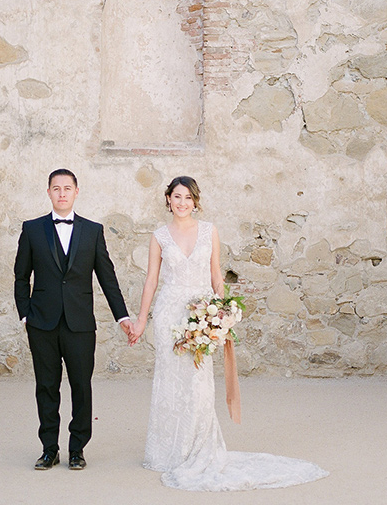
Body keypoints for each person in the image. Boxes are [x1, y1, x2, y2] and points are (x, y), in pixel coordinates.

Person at [128, 176, 328, 491]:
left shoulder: (210, 231)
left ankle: (198, 447)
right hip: (169, 312)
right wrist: (141, 320)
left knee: (198, 380)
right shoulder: (159, 236)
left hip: (202, 312)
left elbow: (216, 275)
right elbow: (151, 281)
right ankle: (168, 450)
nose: (182, 203)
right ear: (168, 199)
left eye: (188, 198)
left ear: (195, 201)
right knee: (170, 380)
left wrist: (222, 312)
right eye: (177, 197)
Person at [14, 168, 132, 471]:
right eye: (56, 188)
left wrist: (122, 316)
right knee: (46, 387)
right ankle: (49, 449)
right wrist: (26, 314)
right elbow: (20, 276)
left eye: (67, 188)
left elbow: (107, 278)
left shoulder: (92, 231)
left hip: (80, 324)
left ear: (76, 192)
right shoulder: (32, 229)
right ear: (49, 192)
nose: (62, 193)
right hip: (42, 323)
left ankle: (77, 448)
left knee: (81, 386)